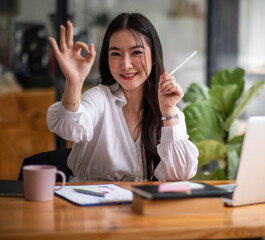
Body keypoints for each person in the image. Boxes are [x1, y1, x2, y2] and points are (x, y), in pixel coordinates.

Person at [47, 12, 199, 182]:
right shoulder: (98, 98)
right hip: (91, 205)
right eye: (115, 54)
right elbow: (69, 127)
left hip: (142, 205)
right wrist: (74, 82)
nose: (125, 65)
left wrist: (168, 111)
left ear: (154, 58)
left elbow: (180, 175)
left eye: (136, 53)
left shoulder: (169, 111)